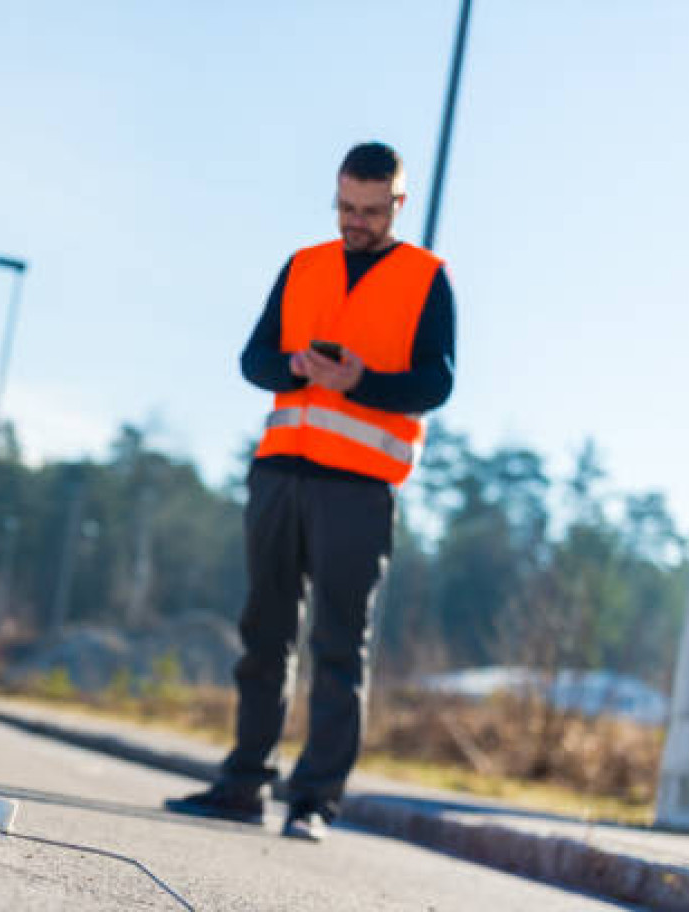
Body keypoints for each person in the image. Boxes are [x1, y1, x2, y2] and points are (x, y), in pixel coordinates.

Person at [165, 142, 456, 842]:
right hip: (279, 474)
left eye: (370, 210)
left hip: (357, 491)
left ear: (397, 204)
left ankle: (314, 802)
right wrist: (293, 368)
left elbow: (437, 382)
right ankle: (242, 786)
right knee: (263, 636)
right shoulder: (303, 266)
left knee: (337, 645)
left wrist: (364, 385)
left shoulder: (426, 280)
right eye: (346, 207)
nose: (355, 221)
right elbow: (252, 359)